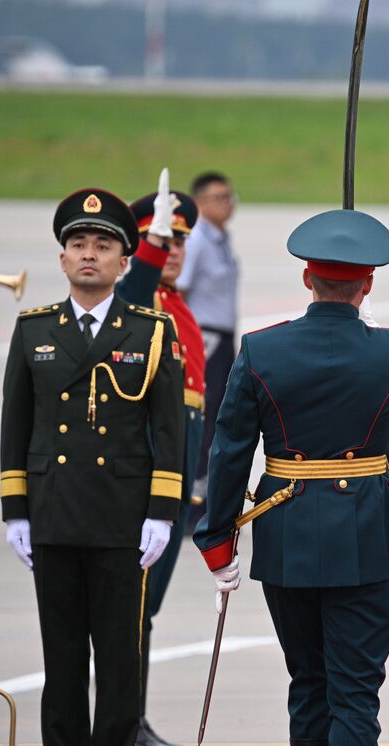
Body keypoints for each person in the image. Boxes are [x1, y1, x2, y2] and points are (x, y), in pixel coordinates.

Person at [193, 208, 389, 746]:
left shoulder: (261, 349)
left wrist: (218, 539)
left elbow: (229, 445)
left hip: (288, 532)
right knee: (356, 693)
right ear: (366, 286)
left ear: (307, 278)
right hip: (365, 531)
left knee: (309, 685)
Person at [0, 185, 184, 746]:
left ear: (124, 261)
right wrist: (16, 512)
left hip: (121, 519)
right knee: (62, 663)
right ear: (61, 258)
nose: (88, 254)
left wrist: (162, 513)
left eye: (102, 245)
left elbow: (170, 433)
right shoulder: (34, 331)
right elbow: (15, 427)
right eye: (77, 244)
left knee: (119, 662)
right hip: (53, 514)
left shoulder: (151, 332)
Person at [125, 185, 207, 746]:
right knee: (133, 608)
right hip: (147, 484)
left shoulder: (178, 306)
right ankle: (123, 724)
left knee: (144, 611)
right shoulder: (137, 303)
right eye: (163, 240)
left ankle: (132, 720)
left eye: (180, 240)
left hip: (178, 482)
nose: (174, 249)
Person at [175, 171, 238, 524]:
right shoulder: (196, 240)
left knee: (217, 420)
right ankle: (194, 504)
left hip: (221, 341)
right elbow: (179, 291)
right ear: (199, 204)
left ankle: (205, 498)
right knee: (204, 418)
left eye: (230, 197)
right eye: (219, 198)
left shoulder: (220, 239)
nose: (228, 204)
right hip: (205, 340)